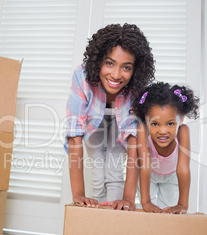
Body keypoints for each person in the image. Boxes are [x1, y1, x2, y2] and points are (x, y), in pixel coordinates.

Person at [64, 23, 155, 207]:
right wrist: (79, 195)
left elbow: (133, 140)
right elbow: (75, 135)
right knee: (98, 170)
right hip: (92, 121)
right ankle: (97, 218)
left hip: (122, 122)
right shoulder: (82, 77)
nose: (116, 74)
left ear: (135, 69)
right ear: (98, 61)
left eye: (126, 67)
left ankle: (114, 218)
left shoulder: (136, 88)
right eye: (109, 63)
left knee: (113, 170)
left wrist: (128, 199)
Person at [105, 82, 199, 213]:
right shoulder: (142, 130)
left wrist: (183, 204)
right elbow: (145, 166)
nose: (162, 131)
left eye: (170, 124)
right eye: (155, 124)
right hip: (149, 175)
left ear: (181, 118)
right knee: (150, 211)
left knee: (169, 211)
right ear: (146, 118)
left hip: (171, 176)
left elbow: (183, 168)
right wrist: (146, 202)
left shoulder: (183, 131)